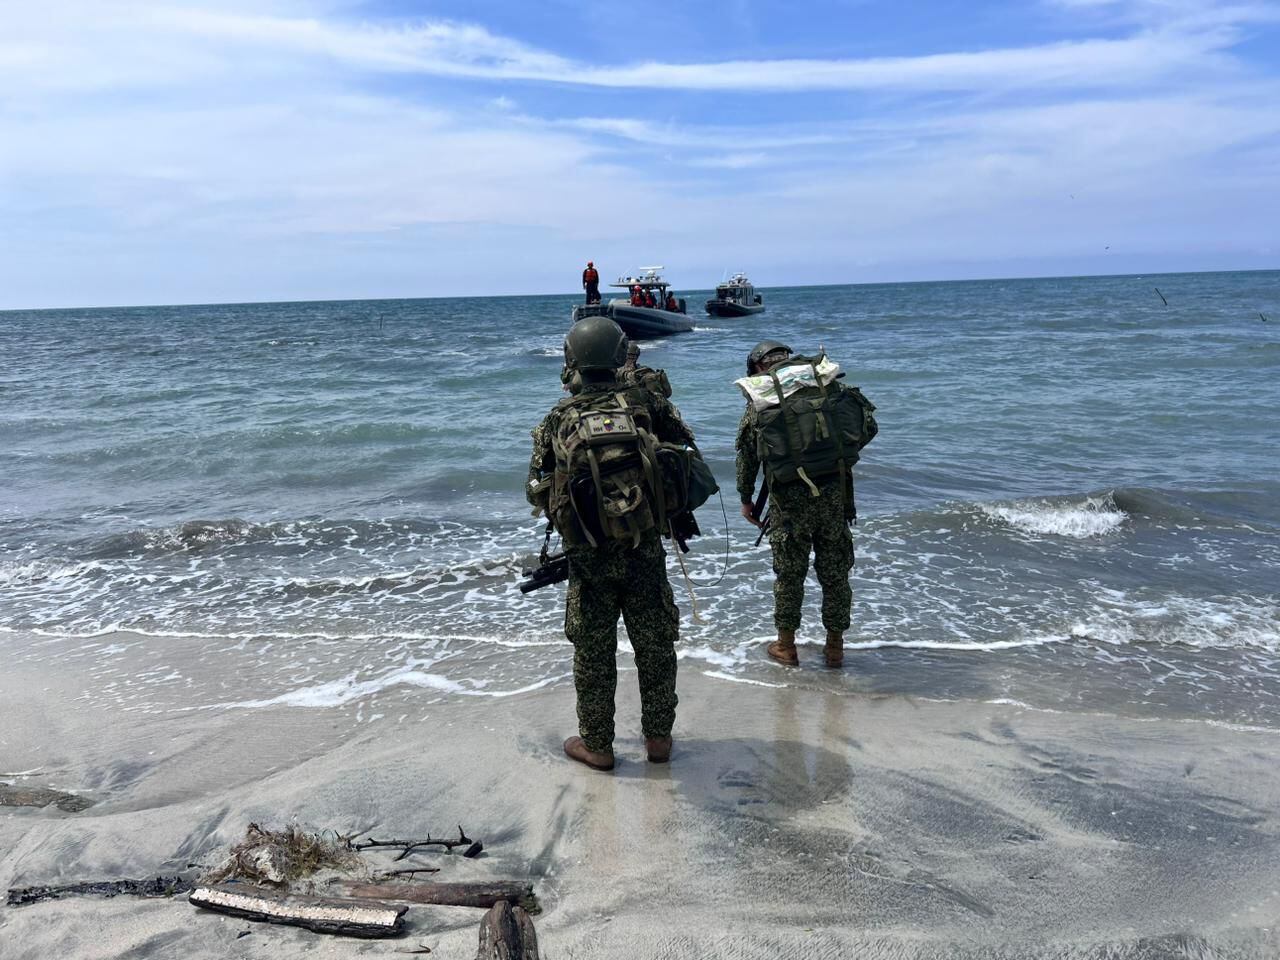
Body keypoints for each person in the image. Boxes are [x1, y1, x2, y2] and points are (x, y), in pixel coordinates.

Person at [526, 317, 701, 771]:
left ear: (572, 361)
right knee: (655, 644)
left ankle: (598, 746)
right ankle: (658, 740)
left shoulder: (558, 419)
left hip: (589, 554)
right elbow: (686, 453)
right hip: (644, 546)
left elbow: (535, 489)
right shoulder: (647, 405)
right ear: (621, 354)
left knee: (593, 651)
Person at [734, 340, 877, 668]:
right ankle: (835, 648)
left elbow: (748, 456)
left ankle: (786, 647)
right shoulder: (826, 385)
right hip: (834, 496)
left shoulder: (764, 397)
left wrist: (746, 500)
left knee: (789, 575)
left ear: (759, 367)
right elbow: (867, 426)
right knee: (836, 574)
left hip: (788, 504)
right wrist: (832, 456)